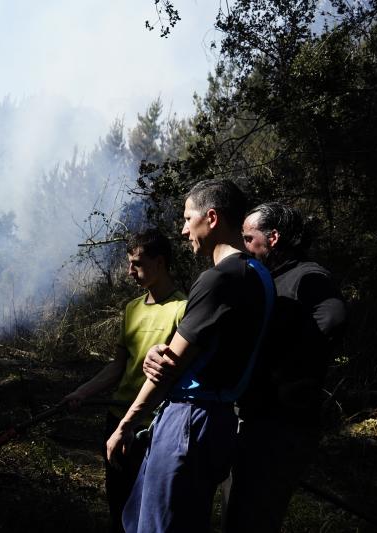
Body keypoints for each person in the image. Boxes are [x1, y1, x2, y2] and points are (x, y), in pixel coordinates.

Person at [107, 179, 274, 533]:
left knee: (158, 525)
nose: (183, 230)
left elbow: (169, 367)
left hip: (188, 419)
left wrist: (126, 424)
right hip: (220, 419)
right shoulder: (260, 276)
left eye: (187, 218)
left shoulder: (218, 279)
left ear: (211, 218)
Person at [222, 201, 347, 532]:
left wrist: (284, 369)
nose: (243, 245)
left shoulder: (306, 275)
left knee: (254, 519)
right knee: (236, 513)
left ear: (273, 237)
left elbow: (332, 317)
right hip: (252, 418)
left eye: (248, 237)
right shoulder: (266, 278)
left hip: (279, 426)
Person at [63, 229, 187, 533]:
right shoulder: (132, 308)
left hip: (153, 429)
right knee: (117, 505)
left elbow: (179, 373)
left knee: (148, 510)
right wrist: (81, 391)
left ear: (160, 262)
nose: (130, 271)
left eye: (137, 264)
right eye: (129, 263)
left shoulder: (182, 309)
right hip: (116, 421)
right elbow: (119, 366)